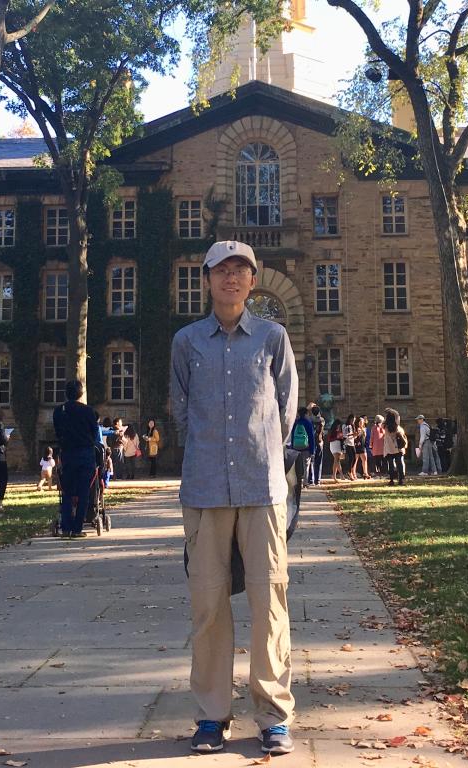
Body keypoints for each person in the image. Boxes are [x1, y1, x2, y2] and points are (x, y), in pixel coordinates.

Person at [171, 240, 298, 756]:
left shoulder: (272, 337)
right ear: (206, 279)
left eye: (240, 270)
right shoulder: (186, 342)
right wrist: (207, 448)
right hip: (204, 490)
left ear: (252, 281)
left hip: (261, 488)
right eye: (221, 270)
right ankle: (211, 715)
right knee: (208, 606)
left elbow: (286, 407)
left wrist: (262, 451)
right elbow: (180, 407)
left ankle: (273, 716)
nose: (231, 278)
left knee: (269, 605)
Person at [53, 379, 98, 538]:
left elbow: (58, 432)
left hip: (68, 454)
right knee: (84, 492)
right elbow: (94, 433)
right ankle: (77, 528)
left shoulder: (59, 411)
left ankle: (66, 527)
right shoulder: (88, 411)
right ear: (81, 393)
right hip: (85, 453)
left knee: (67, 491)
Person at [290, 406, 315, 488]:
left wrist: (292, 447)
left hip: (296, 447)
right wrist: (312, 450)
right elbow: (311, 437)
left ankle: (298, 482)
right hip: (306, 448)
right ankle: (305, 483)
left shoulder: (295, 423)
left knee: (297, 466)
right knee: (306, 466)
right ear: (306, 413)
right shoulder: (308, 423)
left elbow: (292, 435)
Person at [384, 408, 407, 486]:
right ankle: (401, 480)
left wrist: (387, 415)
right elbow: (397, 414)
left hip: (389, 448)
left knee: (391, 465)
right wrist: (391, 410)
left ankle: (391, 480)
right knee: (399, 464)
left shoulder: (385, 426)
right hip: (398, 448)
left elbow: (383, 421)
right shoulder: (396, 425)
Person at [308, 404, 325, 486]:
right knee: (318, 461)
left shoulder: (309, 419)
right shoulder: (322, 420)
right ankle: (317, 480)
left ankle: (310, 479)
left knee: (310, 461)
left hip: (310, 441)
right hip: (319, 441)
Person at [328, 418, 345, 482]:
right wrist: (336, 437)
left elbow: (342, 439)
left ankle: (334, 475)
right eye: (338, 425)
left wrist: (341, 437)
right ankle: (341, 474)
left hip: (339, 445)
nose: (339, 426)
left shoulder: (340, 430)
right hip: (334, 444)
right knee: (337, 460)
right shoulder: (332, 431)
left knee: (336, 461)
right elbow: (329, 439)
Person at [343, 414, 356, 481]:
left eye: (354, 420)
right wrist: (352, 435)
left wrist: (355, 435)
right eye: (352, 420)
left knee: (354, 458)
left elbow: (353, 436)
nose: (353, 421)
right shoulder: (345, 426)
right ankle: (349, 472)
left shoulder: (352, 426)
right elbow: (344, 435)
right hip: (347, 444)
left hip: (352, 443)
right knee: (351, 458)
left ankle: (350, 470)